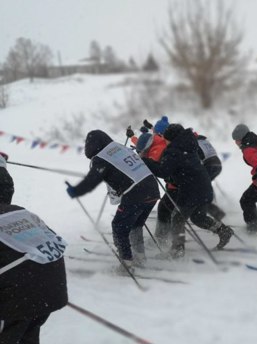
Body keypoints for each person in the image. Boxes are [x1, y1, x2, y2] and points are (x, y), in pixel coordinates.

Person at [66, 130, 160, 269]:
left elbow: (92, 180)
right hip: (152, 189)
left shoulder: (102, 158)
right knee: (135, 225)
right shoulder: (119, 147)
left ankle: (127, 263)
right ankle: (139, 257)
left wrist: (76, 190)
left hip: (136, 193)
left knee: (119, 227)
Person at [143, 124, 234, 257]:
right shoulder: (189, 145)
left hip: (191, 190)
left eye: (166, 139)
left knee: (178, 218)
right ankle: (223, 230)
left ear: (171, 138)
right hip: (204, 186)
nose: (165, 142)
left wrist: (145, 161)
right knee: (198, 217)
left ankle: (177, 250)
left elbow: (163, 171)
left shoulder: (174, 150)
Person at [0, 191, 68, 344]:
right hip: (52, 284)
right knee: (27, 330)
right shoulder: (17, 210)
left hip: (19, 296)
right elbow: (49, 237)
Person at [194, 132, 226, 221]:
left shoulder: (195, 143)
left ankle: (215, 212)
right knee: (204, 187)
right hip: (217, 164)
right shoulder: (203, 141)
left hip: (209, 165)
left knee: (199, 190)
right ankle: (213, 209)